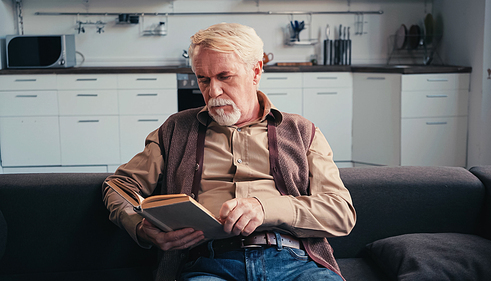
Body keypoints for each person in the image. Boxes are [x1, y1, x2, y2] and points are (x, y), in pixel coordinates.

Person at [103, 22, 356, 281]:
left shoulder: (301, 131)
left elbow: (340, 212)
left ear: (255, 72)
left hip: (293, 262)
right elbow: (118, 186)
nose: (213, 91)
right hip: (208, 264)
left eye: (224, 76)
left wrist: (265, 208)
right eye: (203, 79)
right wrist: (140, 228)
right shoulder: (176, 129)